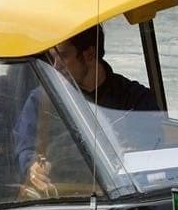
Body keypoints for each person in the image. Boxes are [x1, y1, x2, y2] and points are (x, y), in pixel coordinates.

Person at [14, 24, 162, 193]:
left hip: (119, 195)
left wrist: (131, 155)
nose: (55, 67)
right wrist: (32, 165)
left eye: (62, 57)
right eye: (52, 58)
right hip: (61, 194)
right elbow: (24, 145)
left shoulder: (137, 100)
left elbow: (153, 152)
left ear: (90, 54)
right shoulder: (42, 99)